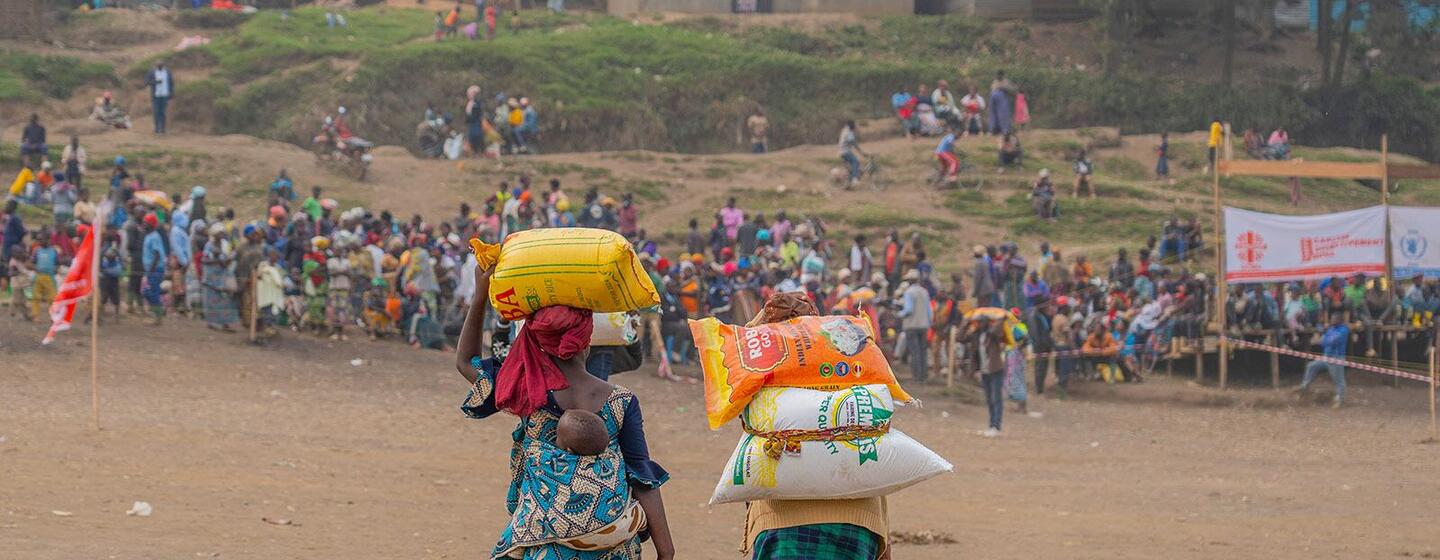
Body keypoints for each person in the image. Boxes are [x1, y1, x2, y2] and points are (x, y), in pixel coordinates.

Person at [455, 267, 675, 560]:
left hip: (540, 540)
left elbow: (465, 362)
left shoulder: (526, 391)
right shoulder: (622, 402)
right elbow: (642, 474)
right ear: (587, 339)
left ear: (537, 343)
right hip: (611, 547)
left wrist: (481, 291)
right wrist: (665, 549)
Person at [965, 315, 1007, 437]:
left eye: (982, 322)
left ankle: (996, 426)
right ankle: (991, 425)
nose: (979, 324)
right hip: (984, 371)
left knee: (996, 398)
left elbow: (995, 331)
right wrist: (966, 322)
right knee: (989, 399)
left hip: (996, 370)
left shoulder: (992, 335)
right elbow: (960, 337)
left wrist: (1001, 319)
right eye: (978, 322)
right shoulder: (976, 335)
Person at [1297, 313, 1349, 408]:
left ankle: (1340, 399)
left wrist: (1322, 339)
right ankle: (1304, 387)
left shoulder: (1343, 330)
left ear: (1339, 320)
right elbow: (1324, 339)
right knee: (1311, 366)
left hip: (1336, 359)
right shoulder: (1331, 329)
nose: (1331, 320)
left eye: (1334, 319)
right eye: (1331, 319)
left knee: (1338, 380)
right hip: (1326, 357)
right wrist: (1322, 335)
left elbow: (1330, 341)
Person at [898, 269, 933, 384]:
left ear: (909, 280)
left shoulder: (909, 292)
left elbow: (908, 310)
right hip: (924, 325)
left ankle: (917, 376)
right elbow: (929, 311)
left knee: (915, 352)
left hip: (911, 326)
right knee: (923, 351)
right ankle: (924, 375)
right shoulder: (924, 291)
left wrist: (899, 314)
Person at [140, 213, 168, 325]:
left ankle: (158, 317)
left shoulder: (155, 236)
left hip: (155, 269)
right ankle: (158, 312)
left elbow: (157, 255)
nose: (143, 225)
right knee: (148, 292)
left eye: (145, 223)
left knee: (151, 292)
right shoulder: (148, 236)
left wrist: (150, 271)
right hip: (150, 269)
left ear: (151, 224)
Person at [144, 61, 175, 134]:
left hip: (165, 95)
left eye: (161, 66)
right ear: (156, 66)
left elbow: (171, 83)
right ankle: (157, 128)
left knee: (163, 112)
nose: (159, 67)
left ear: (163, 65)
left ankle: (163, 129)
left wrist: (171, 93)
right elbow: (146, 82)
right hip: (156, 95)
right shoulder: (152, 72)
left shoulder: (167, 72)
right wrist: (155, 82)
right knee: (156, 111)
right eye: (158, 66)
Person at [838, 120, 865, 189]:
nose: (855, 127)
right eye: (854, 125)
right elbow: (853, 143)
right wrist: (861, 152)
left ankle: (847, 185)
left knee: (851, 169)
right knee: (856, 162)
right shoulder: (849, 132)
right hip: (845, 151)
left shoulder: (845, 130)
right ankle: (854, 179)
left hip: (843, 151)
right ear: (851, 125)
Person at [988, 70, 1015, 135]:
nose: (998, 76)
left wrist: (1002, 88)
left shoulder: (1006, 82)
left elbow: (1012, 89)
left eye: (999, 75)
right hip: (993, 100)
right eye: (997, 75)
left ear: (1002, 75)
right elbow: (992, 90)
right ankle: (993, 130)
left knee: (1003, 115)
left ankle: (1005, 130)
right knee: (993, 115)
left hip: (1002, 100)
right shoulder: (995, 82)